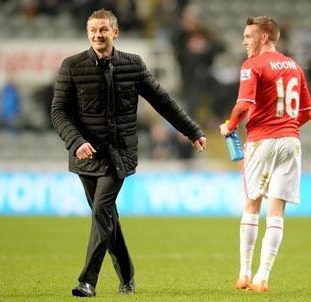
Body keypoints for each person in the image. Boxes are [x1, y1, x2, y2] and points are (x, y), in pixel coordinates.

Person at [51, 9, 206, 298]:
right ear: (88, 33)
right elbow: (58, 112)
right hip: (85, 156)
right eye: (94, 30)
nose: (98, 35)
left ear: (115, 33)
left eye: (103, 30)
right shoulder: (71, 66)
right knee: (107, 217)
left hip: (119, 154)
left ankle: (88, 281)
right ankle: (127, 278)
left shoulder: (133, 65)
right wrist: (76, 141)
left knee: (101, 212)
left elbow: (163, 101)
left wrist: (192, 130)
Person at [219, 16, 311, 292]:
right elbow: (305, 113)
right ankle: (263, 277)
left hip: (262, 142)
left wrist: (229, 126)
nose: (244, 41)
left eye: (249, 36)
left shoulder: (253, 65)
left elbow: (243, 104)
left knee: (251, 205)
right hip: (291, 142)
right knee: (276, 213)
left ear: (264, 38)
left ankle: (245, 273)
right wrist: (285, 126)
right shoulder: (295, 67)